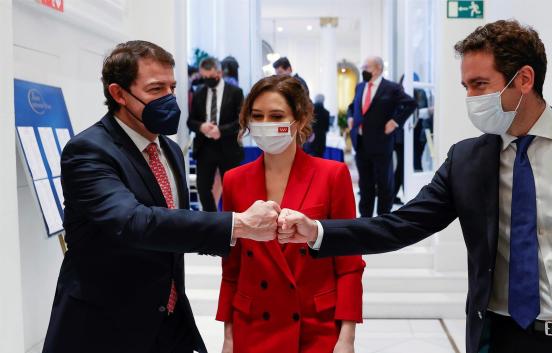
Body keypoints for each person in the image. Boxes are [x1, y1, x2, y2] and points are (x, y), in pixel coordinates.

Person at [278, 20, 552, 353]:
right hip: (501, 337)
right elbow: (400, 225)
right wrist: (317, 231)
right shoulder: (468, 160)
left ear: (525, 79)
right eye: (465, 87)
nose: (470, 97)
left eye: (480, 84)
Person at [42, 40, 279, 353]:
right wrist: (237, 224)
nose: (169, 99)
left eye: (172, 87)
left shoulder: (168, 149)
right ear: (118, 94)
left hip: (166, 323)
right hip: (105, 327)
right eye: (156, 90)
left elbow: (172, 230)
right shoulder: (89, 152)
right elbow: (135, 222)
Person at [216, 75, 365, 353]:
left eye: (276, 116)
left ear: (299, 118)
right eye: (257, 116)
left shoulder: (332, 175)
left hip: (314, 326)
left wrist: (347, 337)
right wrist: (228, 335)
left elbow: (349, 264)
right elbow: (232, 267)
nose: (265, 125)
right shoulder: (235, 180)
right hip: (253, 325)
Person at [348, 56, 416, 216]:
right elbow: (352, 106)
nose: (363, 70)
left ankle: (383, 221)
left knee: (384, 184)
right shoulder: (360, 86)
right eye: (362, 66)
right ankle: (365, 221)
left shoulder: (391, 88)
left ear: (378, 68)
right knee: (365, 186)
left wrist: (395, 121)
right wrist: (351, 117)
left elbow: (410, 103)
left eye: (367, 67)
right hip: (361, 143)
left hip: (381, 144)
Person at [187, 57, 244, 212]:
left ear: (219, 73)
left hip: (228, 146)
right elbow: (190, 121)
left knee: (231, 188)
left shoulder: (235, 92)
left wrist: (221, 130)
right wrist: (201, 126)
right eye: (203, 77)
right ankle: (213, 220)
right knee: (203, 187)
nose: (207, 80)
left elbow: (241, 121)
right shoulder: (199, 92)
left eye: (210, 77)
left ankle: (231, 220)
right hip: (205, 147)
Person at [307, 93, 330, 158]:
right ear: (323, 101)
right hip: (321, 138)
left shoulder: (309, 111)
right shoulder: (326, 112)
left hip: (311, 136)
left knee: (310, 156)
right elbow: (327, 128)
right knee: (320, 156)